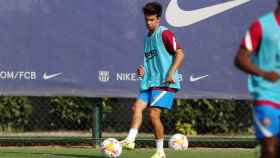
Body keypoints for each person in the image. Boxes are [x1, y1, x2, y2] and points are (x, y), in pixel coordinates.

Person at [121, 2, 184, 158]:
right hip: (150, 82)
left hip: (165, 83)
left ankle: (160, 152)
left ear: (158, 19)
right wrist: (143, 71)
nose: (148, 23)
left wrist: (171, 72)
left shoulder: (165, 34)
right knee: (136, 108)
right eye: (146, 20)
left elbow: (180, 53)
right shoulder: (147, 39)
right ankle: (130, 140)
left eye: (151, 20)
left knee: (154, 114)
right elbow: (152, 63)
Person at [234, 1, 280, 158]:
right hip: (266, 95)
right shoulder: (262, 25)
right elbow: (240, 58)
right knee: (270, 149)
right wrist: (264, 73)